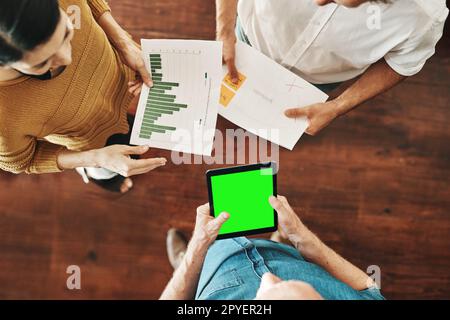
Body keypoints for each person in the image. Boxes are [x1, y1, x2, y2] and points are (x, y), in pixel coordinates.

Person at [0, 0, 166, 193]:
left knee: (127, 129)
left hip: (119, 82)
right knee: (108, 171)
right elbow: (22, 161)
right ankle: (99, 175)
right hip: (90, 142)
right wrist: (95, 158)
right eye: (43, 63)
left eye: (66, 33)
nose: (67, 58)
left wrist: (123, 42)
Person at [216, 0, 449, 135]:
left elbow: (403, 63)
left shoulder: (425, 14)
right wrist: (225, 30)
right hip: (248, 37)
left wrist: (338, 106)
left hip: (313, 83)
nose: (318, 2)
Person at [161, 196, 384, 300]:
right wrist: (299, 234)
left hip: (216, 266)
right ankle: (279, 244)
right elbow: (368, 290)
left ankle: (188, 269)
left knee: (193, 267)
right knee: (280, 254)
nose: (269, 277)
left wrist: (197, 249)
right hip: (289, 256)